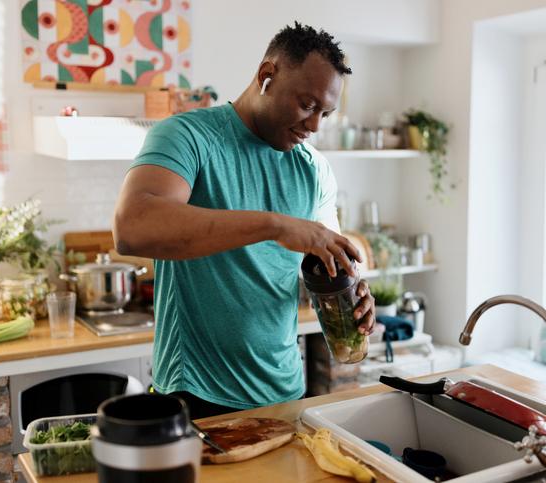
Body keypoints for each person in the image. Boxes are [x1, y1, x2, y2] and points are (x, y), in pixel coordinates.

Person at [113, 22, 375, 418]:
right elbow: (133, 226)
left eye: (325, 112)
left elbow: (330, 266)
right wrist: (276, 225)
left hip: (286, 392)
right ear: (267, 76)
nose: (315, 125)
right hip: (197, 397)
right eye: (307, 104)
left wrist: (351, 296)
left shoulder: (315, 170)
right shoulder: (188, 137)